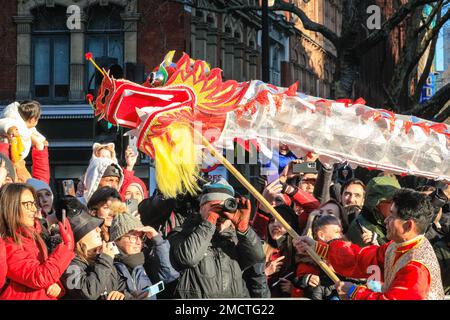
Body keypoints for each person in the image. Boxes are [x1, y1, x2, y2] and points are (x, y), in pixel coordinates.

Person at [294, 188, 445, 300]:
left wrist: (355, 292)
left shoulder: (416, 266)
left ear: (408, 226)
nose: (385, 220)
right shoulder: (397, 245)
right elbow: (361, 258)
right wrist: (318, 247)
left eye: (392, 216)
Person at [168, 178, 265, 298]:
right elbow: (188, 258)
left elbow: (257, 257)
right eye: (214, 207)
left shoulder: (237, 238)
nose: (221, 213)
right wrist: (210, 221)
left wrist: (244, 229)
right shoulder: (181, 233)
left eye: (225, 208)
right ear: (201, 208)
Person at [0, 183, 74, 300]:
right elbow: (38, 277)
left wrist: (56, 285)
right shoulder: (7, 244)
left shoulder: (35, 236)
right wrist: (67, 247)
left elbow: (47, 271)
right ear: (11, 206)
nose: (34, 209)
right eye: (27, 204)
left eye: (33, 204)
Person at [61, 205, 129, 300]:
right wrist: (105, 260)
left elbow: (124, 288)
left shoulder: (104, 259)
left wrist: (122, 295)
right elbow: (88, 293)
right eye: (92, 228)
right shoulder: (69, 265)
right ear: (80, 239)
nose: (99, 230)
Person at [110, 212, 179, 299]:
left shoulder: (145, 262)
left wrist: (157, 240)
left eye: (141, 237)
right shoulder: (108, 266)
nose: (139, 242)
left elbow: (169, 276)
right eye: (133, 237)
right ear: (117, 240)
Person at [292, 215, 343, 299]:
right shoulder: (307, 261)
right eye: (337, 232)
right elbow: (297, 292)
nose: (341, 236)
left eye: (341, 231)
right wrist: (306, 279)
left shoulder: (344, 256)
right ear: (321, 235)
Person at [347, 175, 400, 247]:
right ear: (377, 204)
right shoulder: (361, 227)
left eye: (399, 201)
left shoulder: (387, 221)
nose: (397, 206)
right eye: (392, 201)